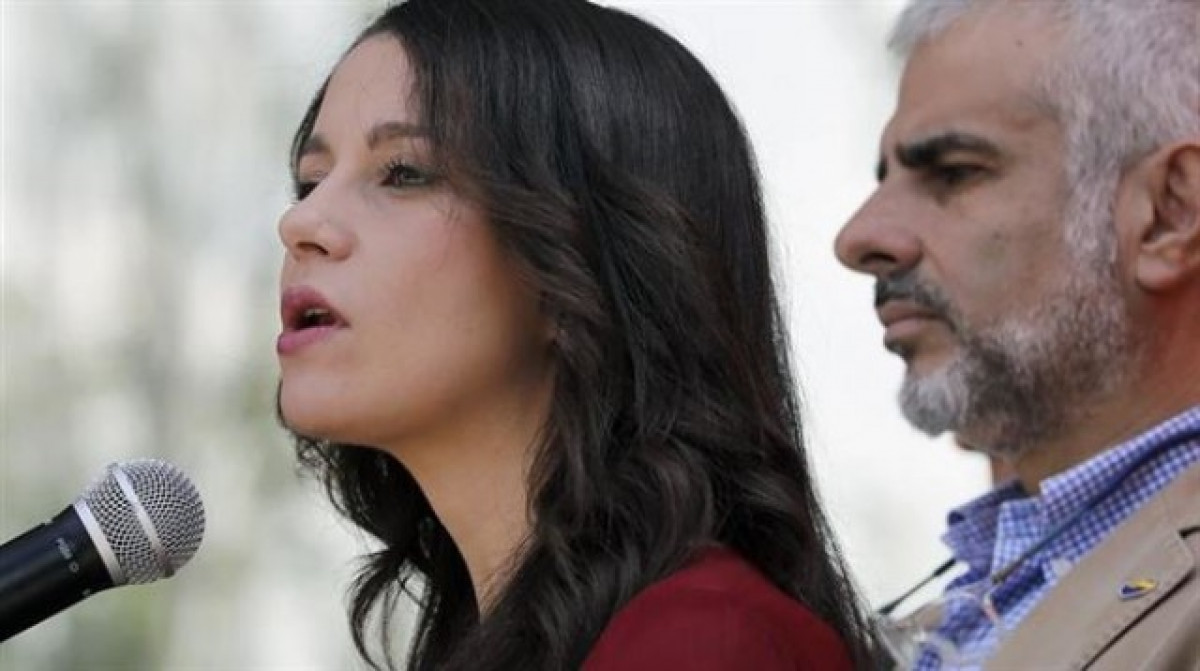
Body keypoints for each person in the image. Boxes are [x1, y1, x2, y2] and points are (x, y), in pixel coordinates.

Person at [275, 1, 876, 669]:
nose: (300, 222)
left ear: (583, 260)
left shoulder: (708, 640)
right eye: (310, 181)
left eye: (404, 172)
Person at [835, 0, 1200, 668]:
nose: (859, 238)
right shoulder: (984, 589)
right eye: (885, 179)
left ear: (1170, 214)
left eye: (954, 171)